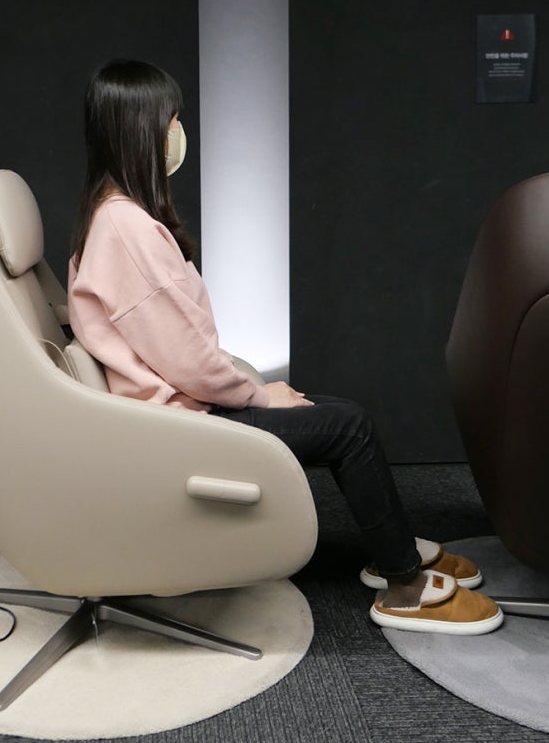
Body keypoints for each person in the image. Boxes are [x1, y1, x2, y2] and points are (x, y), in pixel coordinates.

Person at [67, 58, 503, 636]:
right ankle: (405, 586)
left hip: (181, 413)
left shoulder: (111, 219)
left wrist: (255, 392)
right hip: (182, 426)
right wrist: (258, 395)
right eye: (170, 120)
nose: (177, 133)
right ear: (140, 130)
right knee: (349, 427)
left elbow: (177, 349)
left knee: (335, 415)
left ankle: (392, 549)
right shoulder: (126, 228)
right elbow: (188, 360)